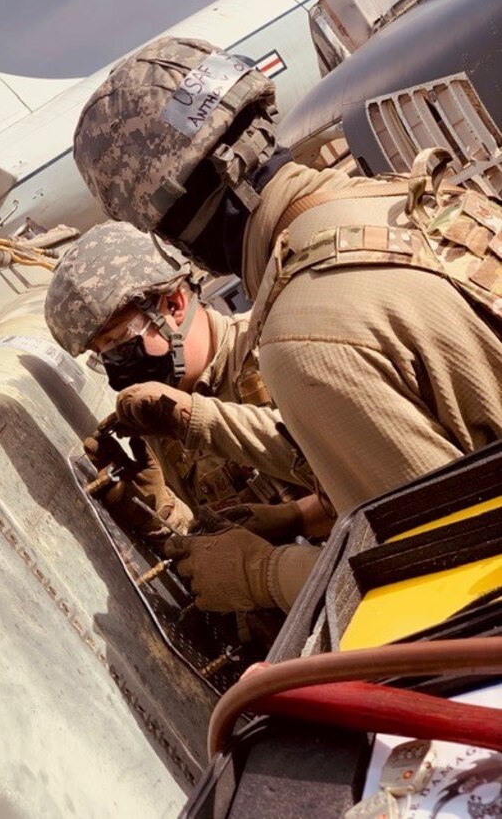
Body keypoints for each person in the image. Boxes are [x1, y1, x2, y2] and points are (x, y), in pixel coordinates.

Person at [70, 36, 502, 610]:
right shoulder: (401, 201)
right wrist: (198, 421)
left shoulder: (301, 336)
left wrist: (264, 575)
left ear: (165, 225)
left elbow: (454, 585)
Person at [45, 220, 329, 612]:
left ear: (174, 305)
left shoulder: (278, 347)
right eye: (102, 353)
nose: (114, 368)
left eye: (118, 340)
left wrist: (294, 517)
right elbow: (217, 547)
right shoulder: (162, 420)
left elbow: (372, 479)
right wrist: (153, 508)